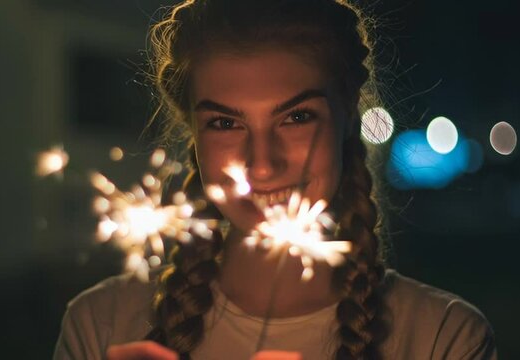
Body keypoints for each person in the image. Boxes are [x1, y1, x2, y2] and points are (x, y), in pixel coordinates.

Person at [54, 0, 497, 359]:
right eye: (225, 124)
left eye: (296, 117)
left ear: (347, 117)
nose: (262, 165)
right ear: (193, 132)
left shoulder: (442, 337)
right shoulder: (102, 326)